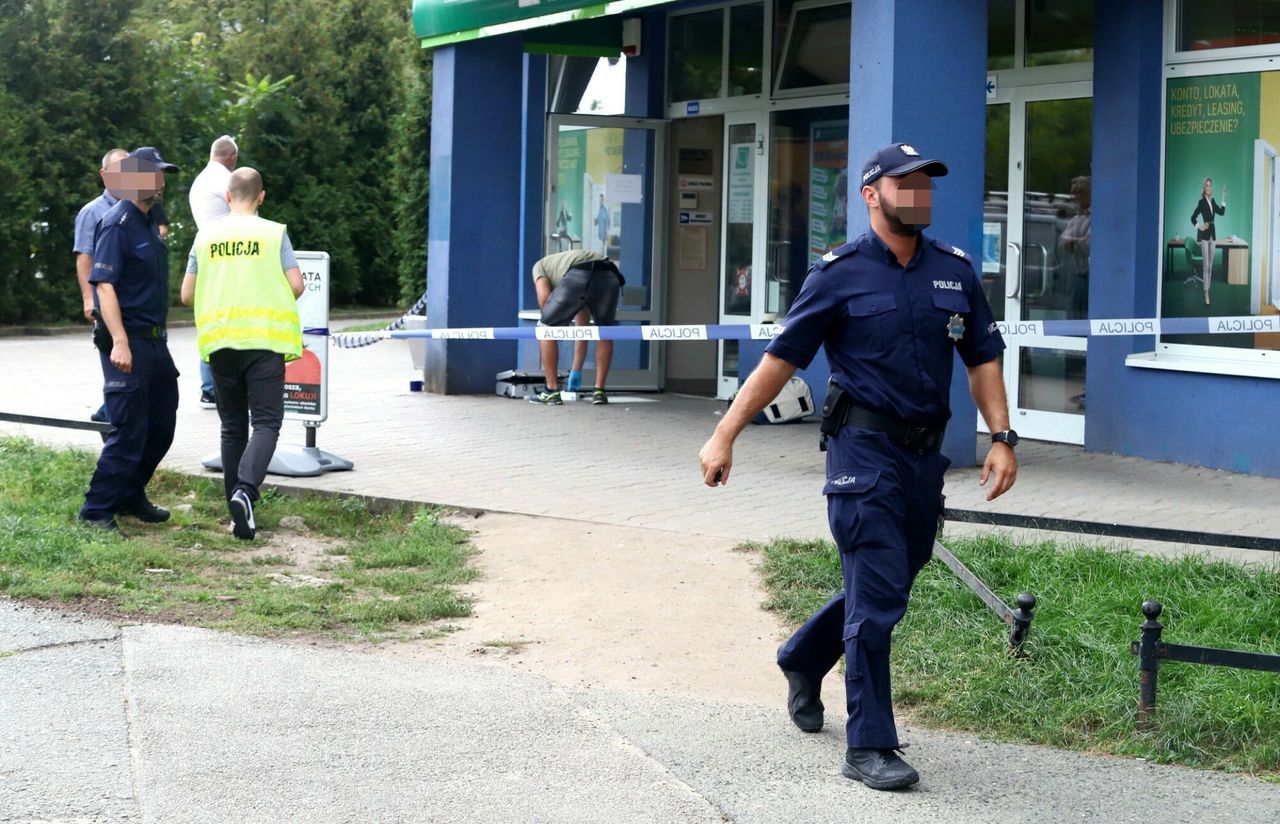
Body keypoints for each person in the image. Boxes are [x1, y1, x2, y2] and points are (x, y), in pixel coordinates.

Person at [698, 143, 1018, 791]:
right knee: (876, 596)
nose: (921, 194)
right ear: (872, 194)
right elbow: (781, 360)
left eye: (927, 183)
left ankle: (802, 655)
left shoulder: (954, 272)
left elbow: (982, 357)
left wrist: (1003, 436)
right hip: (862, 452)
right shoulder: (838, 273)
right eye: (907, 184)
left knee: (895, 577)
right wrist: (725, 433)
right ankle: (868, 744)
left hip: (926, 457)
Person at [181, 167, 304, 541]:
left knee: (232, 427)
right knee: (266, 424)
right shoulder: (273, 233)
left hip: (221, 345)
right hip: (264, 344)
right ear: (261, 196)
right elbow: (296, 285)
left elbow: (187, 294)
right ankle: (245, 492)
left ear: (228, 197)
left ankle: (238, 518)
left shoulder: (205, 237)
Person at [78, 147, 182, 532]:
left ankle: (130, 493)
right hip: (129, 341)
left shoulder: (150, 218)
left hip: (156, 342)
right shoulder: (116, 222)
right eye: (154, 174)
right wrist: (119, 340)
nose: (161, 181)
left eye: (162, 174)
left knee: (161, 426)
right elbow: (104, 285)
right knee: (128, 429)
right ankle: (96, 510)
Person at [74, 147, 130, 430]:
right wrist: (88, 299)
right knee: (116, 371)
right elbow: (85, 257)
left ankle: (107, 413)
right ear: (104, 175)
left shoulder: (136, 209)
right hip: (105, 303)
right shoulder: (93, 212)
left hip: (132, 303)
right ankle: (111, 422)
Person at [528, 249, 624, 405]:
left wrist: (550, 318)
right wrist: (576, 370)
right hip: (609, 273)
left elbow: (545, 299)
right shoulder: (568, 270)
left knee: (545, 328)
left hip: (580, 274)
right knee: (604, 330)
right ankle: (599, 390)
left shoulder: (539, 267)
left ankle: (551, 390)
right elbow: (582, 330)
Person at [188, 135, 240, 408]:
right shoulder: (226, 180)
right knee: (225, 320)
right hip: (225, 258)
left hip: (204, 252)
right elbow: (243, 212)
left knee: (210, 319)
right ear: (232, 158)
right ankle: (213, 387)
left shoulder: (200, 180)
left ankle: (209, 387)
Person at [1190, 176, 1226, 306]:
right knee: (1205, 265)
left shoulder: (1213, 200)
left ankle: (1207, 288)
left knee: (1210, 265)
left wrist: (1224, 198)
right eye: (1206, 185)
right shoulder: (1201, 202)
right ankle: (1206, 293)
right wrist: (1198, 226)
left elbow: (1222, 212)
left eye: (1210, 185)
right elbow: (1192, 217)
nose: (1208, 188)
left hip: (1213, 236)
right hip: (1204, 236)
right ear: (1204, 188)